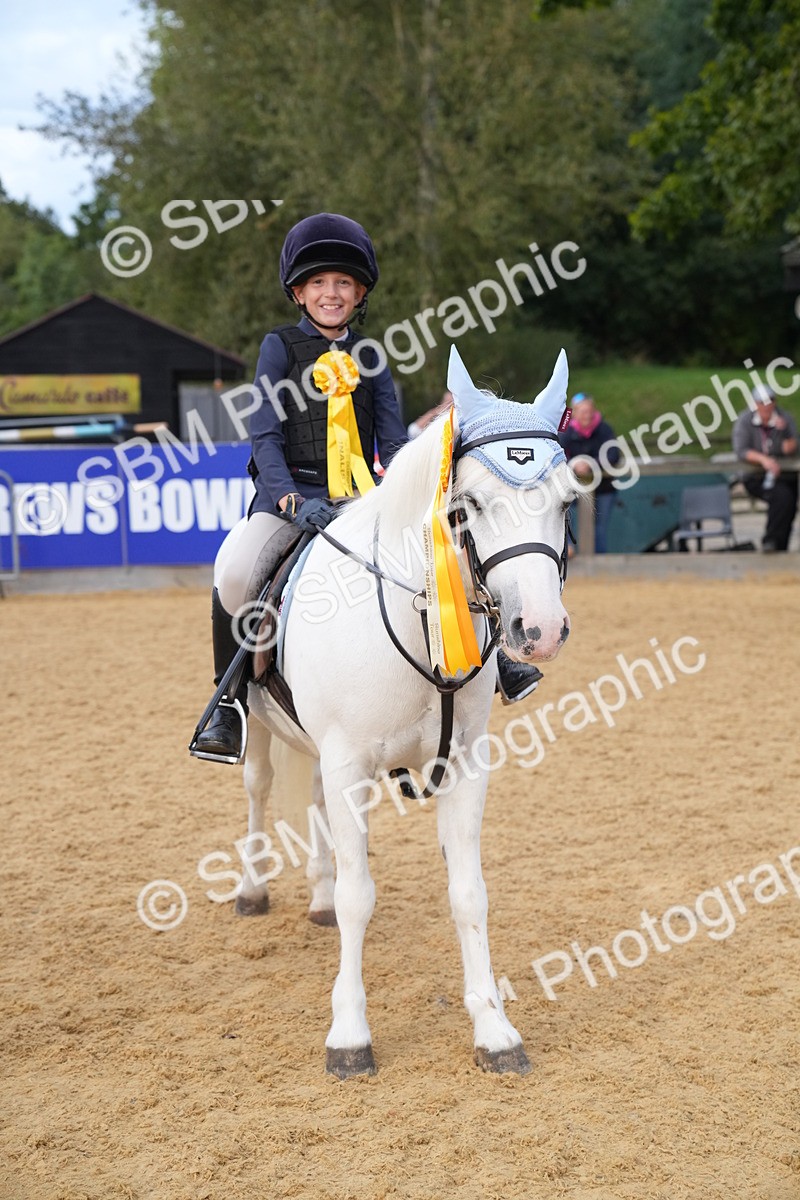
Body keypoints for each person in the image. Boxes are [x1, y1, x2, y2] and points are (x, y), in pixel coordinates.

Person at [192, 212, 408, 761]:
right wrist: (292, 499)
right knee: (239, 572)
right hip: (289, 498)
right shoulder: (279, 347)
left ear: (359, 293)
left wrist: (400, 490)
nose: (331, 293)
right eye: (318, 283)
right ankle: (229, 705)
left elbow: (394, 438)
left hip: (360, 499)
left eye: (342, 283)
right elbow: (263, 433)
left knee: (436, 554)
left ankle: (487, 663)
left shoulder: (372, 356)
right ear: (298, 293)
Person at [732, 385, 798, 552]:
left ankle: (779, 547)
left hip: (784, 475)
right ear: (755, 404)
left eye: (770, 401)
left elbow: (792, 447)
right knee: (783, 498)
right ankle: (771, 541)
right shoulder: (745, 420)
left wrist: (783, 433)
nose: (767, 406)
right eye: (762, 402)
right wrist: (763, 460)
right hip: (756, 476)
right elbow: (742, 450)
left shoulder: (784, 419)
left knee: (788, 504)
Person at [560, 392, 620, 553]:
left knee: (599, 529)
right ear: (575, 413)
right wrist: (574, 465)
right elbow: (558, 455)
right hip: (575, 489)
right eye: (582, 412)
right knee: (563, 516)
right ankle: (567, 553)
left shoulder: (604, 429)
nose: (586, 415)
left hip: (604, 488)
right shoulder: (566, 432)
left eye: (589, 411)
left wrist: (590, 463)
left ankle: (599, 564)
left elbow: (613, 454)